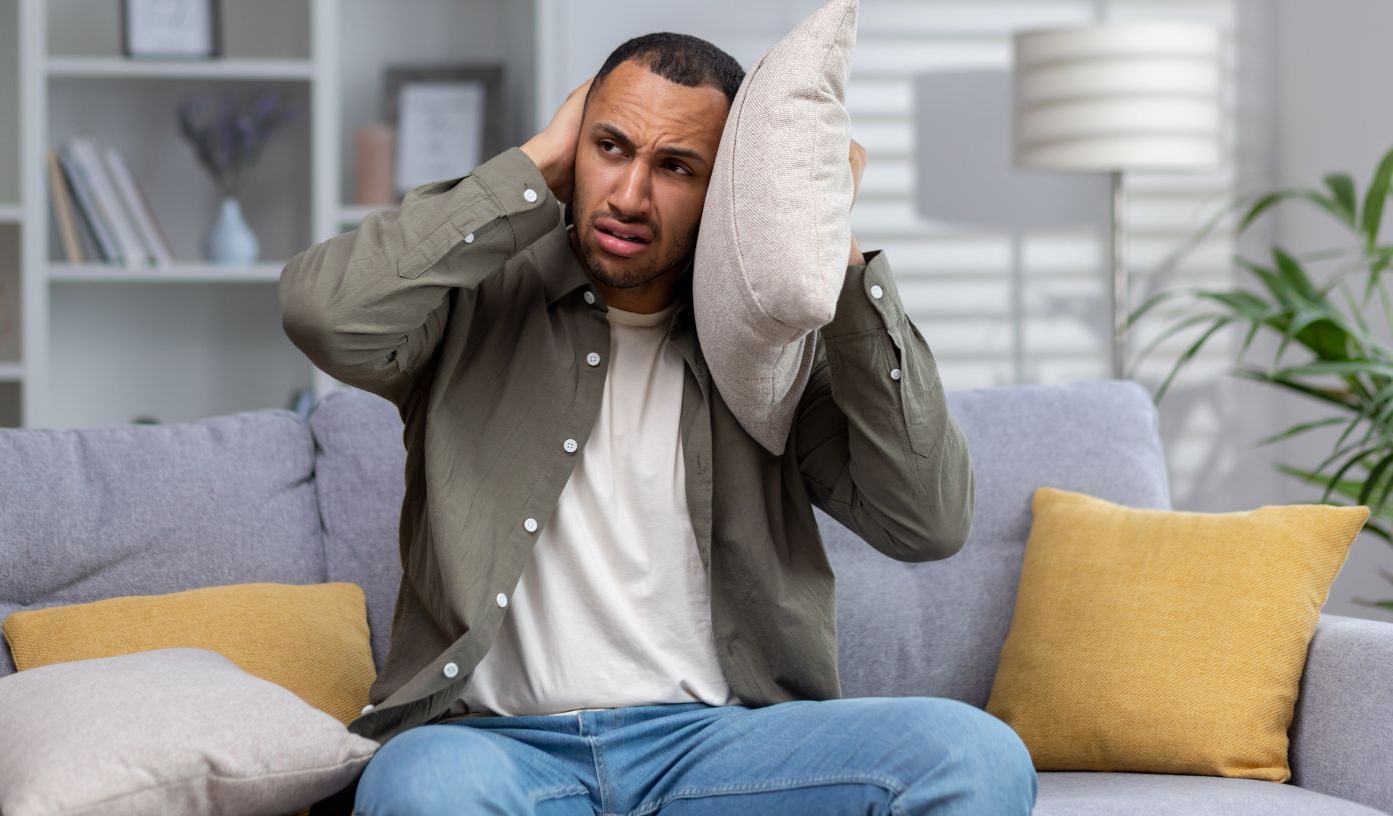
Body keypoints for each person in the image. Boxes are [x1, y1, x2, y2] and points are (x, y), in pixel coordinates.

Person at [279, 30, 1037, 816]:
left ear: (728, 187)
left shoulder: (774, 353)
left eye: (677, 167)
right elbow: (322, 314)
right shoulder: (470, 306)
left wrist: (831, 252)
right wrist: (537, 162)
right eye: (610, 147)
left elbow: (930, 523)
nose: (630, 196)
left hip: (718, 750)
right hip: (495, 748)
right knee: (420, 789)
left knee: (974, 756)